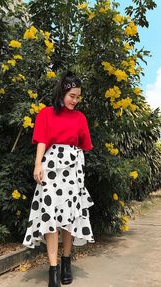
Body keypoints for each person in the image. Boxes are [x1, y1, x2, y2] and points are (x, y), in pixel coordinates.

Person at [23, 71, 95, 287]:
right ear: (63, 91)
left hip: (72, 170)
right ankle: (53, 269)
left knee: (69, 219)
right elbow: (42, 140)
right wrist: (38, 165)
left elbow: (84, 145)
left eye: (78, 96)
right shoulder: (45, 114)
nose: (75, 100)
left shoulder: (80, 118)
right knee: (51, 218)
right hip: (51, 167)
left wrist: (75, 163)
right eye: (72, 95)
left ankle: (66, 262)